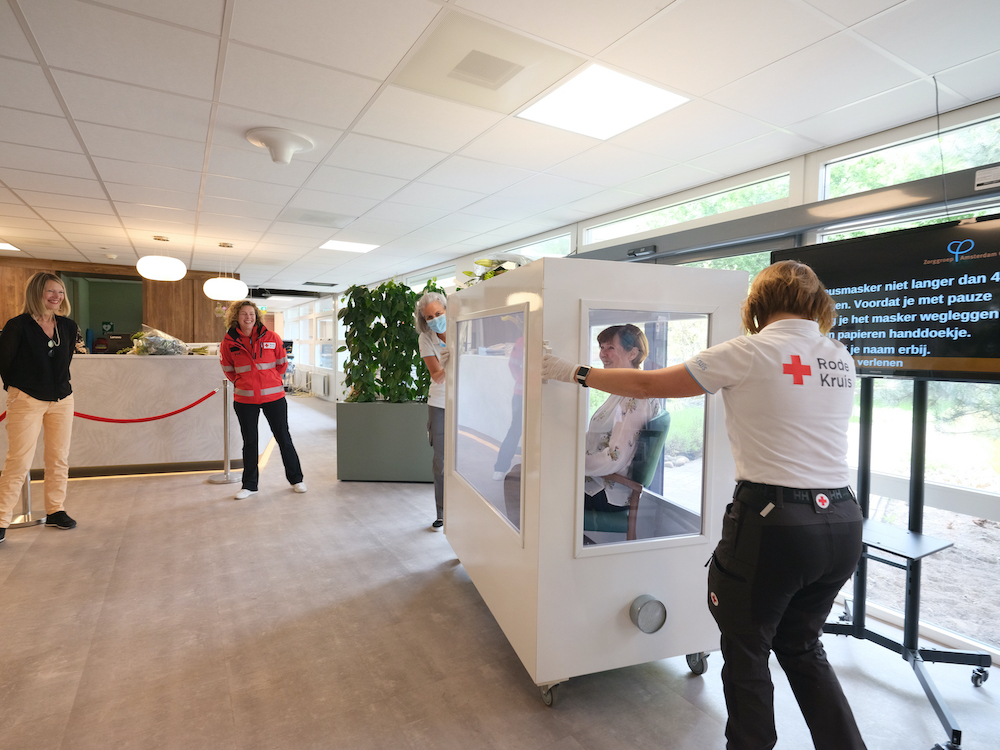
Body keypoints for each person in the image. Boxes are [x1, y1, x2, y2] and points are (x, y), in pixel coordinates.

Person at [542, 260, 866, 750]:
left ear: (756, 304)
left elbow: (648, 384)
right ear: (817, 303)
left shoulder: (749, 350)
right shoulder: (838, 355)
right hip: (842, 522)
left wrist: (573, 372)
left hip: (776, 523)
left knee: (747, 649)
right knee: (802, 647)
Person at [0, 272, 80, 543]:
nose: (57, 296)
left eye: (60, 292)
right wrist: (21, 390)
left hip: (62, 398)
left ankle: (55, 510)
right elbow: (5, 364)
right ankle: (1, 518)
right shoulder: (17, 326)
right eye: (50, 291)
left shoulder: (67, 326)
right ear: (36, 293)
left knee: (58, 457)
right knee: (19, 460)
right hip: (27, 398)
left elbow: (64, 362)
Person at [220, 300, 305, 500]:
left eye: (251, 313)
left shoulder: (272, 337)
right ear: (236, 317)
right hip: (245, 399)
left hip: (273, 397)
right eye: (243, 314)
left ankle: (296, 479)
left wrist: (271, 380)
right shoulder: (229, 342)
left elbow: (282, 364)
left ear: (256, 316)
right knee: (250, 442)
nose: (248, 317)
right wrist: (243, 382)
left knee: (283, 438)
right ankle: (249, 485)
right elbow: (229, 370)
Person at [583, 324, 661, 515]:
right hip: (599, 482)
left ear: (632, 353)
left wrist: (572, 464)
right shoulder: (623, 389)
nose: (603, 354)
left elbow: (614, 458)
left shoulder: (636, 396)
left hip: (607, 493)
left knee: (535, 486)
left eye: (610, 348)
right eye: (602, 347)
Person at [415, 292, 447, 529]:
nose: (435, 319)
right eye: (429, 317)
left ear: (447, 310)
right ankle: (443, 512)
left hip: (468, 401)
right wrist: (454, 361)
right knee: (441, 460)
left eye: (438, 313)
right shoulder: (426, 338)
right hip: (440, 403)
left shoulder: (465, 330)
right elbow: (437, 375)